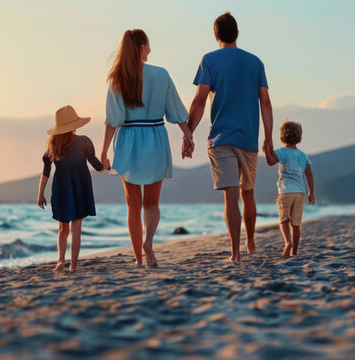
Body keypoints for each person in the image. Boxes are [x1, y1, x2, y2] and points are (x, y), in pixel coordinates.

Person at [99, 29, 193, 269]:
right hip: (154, 136)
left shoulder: (117, 78)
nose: (150, 49)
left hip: (129, 139)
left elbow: (113, 120)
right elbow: (176, 110)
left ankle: (139, 260)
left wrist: (103, 152)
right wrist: (188, 134)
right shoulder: (161, 74)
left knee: (133, 205)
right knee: (152, 203)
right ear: (142, 47)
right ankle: (148, 242)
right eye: (149, 45)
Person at [186, 12, 274, 262]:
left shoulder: (210, 60)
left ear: (216, 35)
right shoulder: (255, 62)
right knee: (248, 194)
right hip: (248, 139)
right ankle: (251, 244)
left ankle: (235, 254)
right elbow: (265, 103)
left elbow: (199, 100)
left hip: (221, 138)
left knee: (231, 196)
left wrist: (188, 133)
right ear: (237, 33)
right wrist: (268, 138)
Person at [37, 105, 106, 272]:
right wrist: (107, 165)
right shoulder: (84, 142)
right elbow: (98, 167)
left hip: (61, 189)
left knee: (63, 228)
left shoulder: (53, 145)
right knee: (77, 228)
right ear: (75, 125)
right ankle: (73, 266)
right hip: (81, 188)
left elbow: (46, 173)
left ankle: (60, 261)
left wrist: (40, 194)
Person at [263, 120, 315, 258]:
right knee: (296, 224)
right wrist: (311, 192)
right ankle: (295, 252)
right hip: (300, 193)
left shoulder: (282, 152)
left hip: (285, 192)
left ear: (282, 137)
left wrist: (267, 151)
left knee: (284, 220)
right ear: (299, 137)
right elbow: (309, 174)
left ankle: (287, 242)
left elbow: (270, 162)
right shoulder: (303, 155)